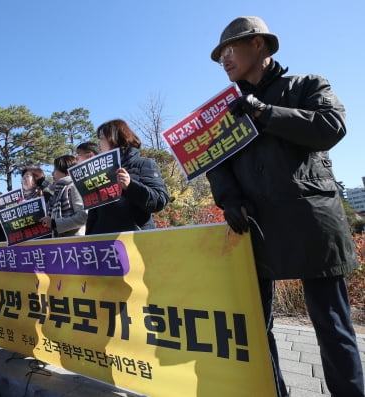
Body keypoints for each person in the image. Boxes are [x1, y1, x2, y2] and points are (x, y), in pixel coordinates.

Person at [207, 16, 363, 397]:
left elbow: (330, 127)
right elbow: (217, 163)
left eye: (230, 50)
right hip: (254, 225)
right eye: (220, 55)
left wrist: (263, 111)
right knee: (256, 328)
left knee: (332, 324)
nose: (224, 60)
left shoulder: (307, 85)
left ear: (259, 45)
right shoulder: (225, 110)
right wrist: (229, 201)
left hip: (311, 219)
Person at [85, 119, 169, 235]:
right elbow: (94, 215)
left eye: (101, 138)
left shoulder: (143, 164)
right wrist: (90, 239)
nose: (98, 143)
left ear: (115, 139)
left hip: (134, 242)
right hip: (104, 245)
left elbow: (159, 201)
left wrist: (130, 186)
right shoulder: (100, 174)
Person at [40, 155, 87, 237]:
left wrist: (54, 223)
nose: (52, 173)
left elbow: (83, 217)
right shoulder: (57, 192)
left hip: (75, 244)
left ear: (66, 172)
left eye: (55, 170)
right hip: (60, 244)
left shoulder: (74, 187)